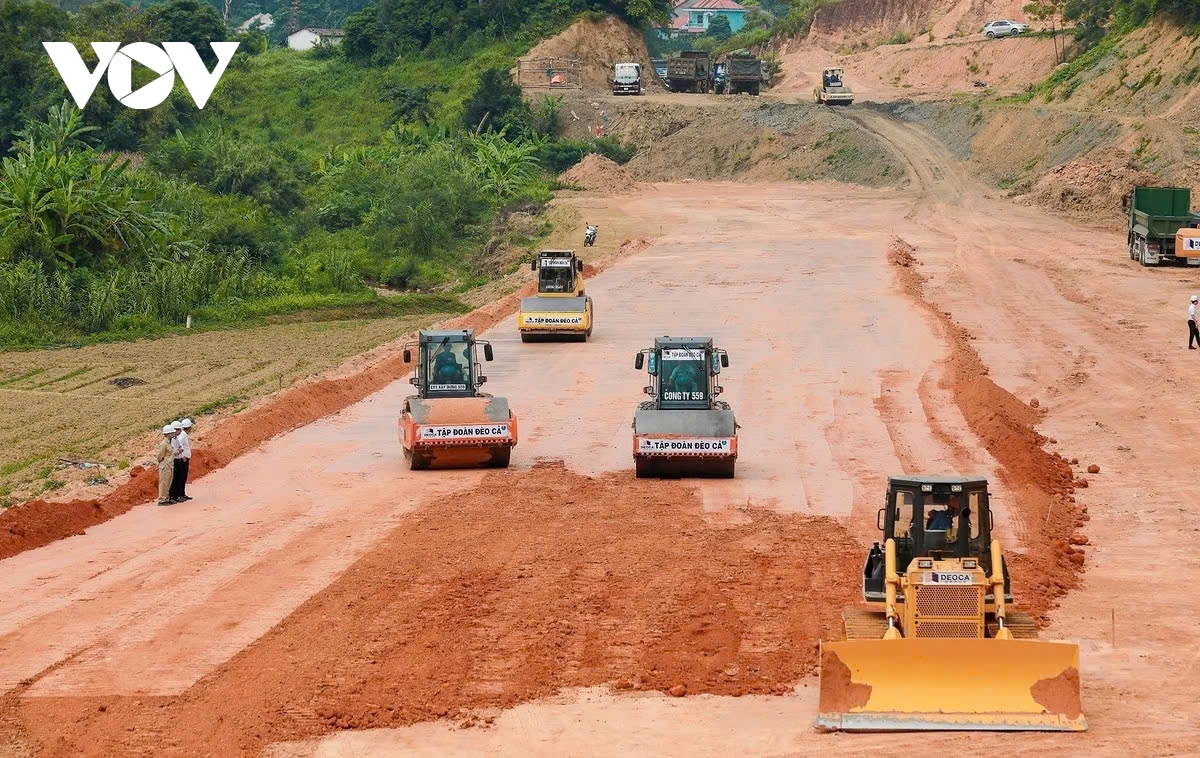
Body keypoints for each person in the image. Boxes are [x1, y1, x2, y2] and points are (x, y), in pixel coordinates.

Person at [171, 418, 193, 502]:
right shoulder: (183, 435)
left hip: (183, 458)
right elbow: (180, 446)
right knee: (181, 477)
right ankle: (179, 495)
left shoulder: (183, 434)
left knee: (182, 477)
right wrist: (183, 455)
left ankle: (181, 494)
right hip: (182, 459)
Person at [157, 425, 176, 506]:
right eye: (171, 433)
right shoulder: (163, 444)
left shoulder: (169, 443)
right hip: (165, 466)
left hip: (170, 465)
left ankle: (166, 498)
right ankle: (162, 500)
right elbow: (160, 456)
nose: (173, 434)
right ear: (168, 434)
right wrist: (162, 463)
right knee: (164, 483)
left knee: (168, 482)